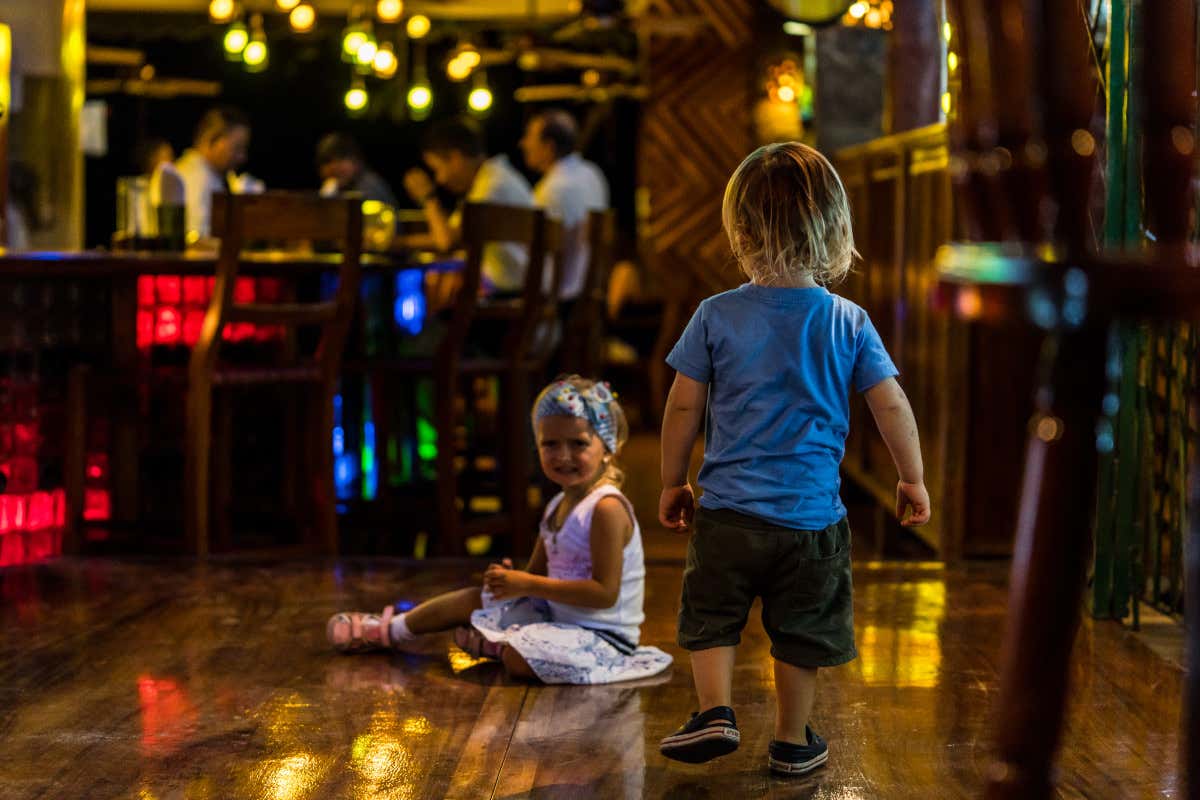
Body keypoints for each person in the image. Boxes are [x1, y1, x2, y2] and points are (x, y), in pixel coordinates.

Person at [656, 142, 931, 775]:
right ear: (835, 228)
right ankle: (790, 738)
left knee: (713, 613)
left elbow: (680, 409)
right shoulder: (848, 322)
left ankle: (715, 711)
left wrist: (675, 482)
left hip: (727, 515)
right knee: (802, 629)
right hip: (812, 520)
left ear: (741, 230)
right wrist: (910, 477)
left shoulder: (714, 316)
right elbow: (891, 405)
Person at [326, 375, 673, 686]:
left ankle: (500, 645)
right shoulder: (557, 506)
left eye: (578, 443)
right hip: (557, 618)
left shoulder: (606, 509)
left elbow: (604, 593)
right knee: (475, 597)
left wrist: (527, 585)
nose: (563, 455)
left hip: (603, 638)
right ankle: (390, 630)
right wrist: (511, 582)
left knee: (518, 660)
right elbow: (537, 576)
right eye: (550, 444)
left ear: (608, 449)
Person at [401, 116, 533, 297]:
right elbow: (451, 234)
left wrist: (428, 198)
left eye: (438, 169)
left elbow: (446, 242)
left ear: (456, 158)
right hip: (516, 288)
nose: (439, 179)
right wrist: (395, 243)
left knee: (427, 290)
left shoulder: (492, 186)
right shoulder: (491, 178)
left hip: (510, 292)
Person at [519, 109, 610, 302]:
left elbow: (531, 252)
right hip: (588, 293)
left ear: (549, 147)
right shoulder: (593, 174)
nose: (523, 143)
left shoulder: (552, 188)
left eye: (529, 137)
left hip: (557, 298)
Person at [174, 106, 253, 244]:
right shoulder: (197, 178)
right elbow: (197, 241)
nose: (242, 157)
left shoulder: (205, 175)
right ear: (211, 139)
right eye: (237, 148)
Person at [315, 132, 398, 206]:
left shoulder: (369, 186)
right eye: (327, 161)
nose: (334, 167)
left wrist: (327, 200)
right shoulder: (337, 189)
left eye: (341, 158)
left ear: (356, 161)